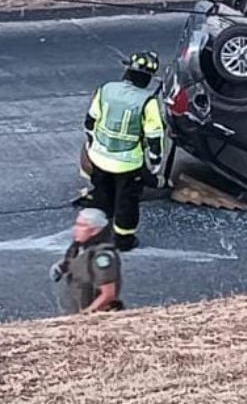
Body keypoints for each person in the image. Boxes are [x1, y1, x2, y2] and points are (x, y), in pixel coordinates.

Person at [84, 51, 164, 252]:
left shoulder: (106, 89)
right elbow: (154, 135)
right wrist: (155, 162)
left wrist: (91, 144)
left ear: (127, 70)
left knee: (102, 194)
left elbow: (90, 121)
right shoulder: (148, 101)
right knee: (126, 202)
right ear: (148, 78)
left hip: (99, 157)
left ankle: (96, 232)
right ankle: (123, 241)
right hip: (127, 164)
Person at [50, 208, 123, 315]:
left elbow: (108, 294)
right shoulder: (78, 246)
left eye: (82, 225)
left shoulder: (102, 256)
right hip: (75, 307)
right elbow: (71, 259)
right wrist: (61, 267)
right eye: (77, 224)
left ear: (95, 230)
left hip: (95, 314)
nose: (76, 229)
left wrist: (87, 314)